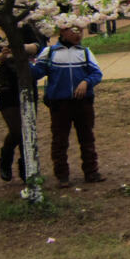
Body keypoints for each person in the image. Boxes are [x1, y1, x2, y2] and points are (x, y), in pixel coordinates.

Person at [31, 24, 105, 188]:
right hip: (59, 103)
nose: (79, 34)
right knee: (59, 140)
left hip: (83, 103)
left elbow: (97, 73)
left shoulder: (84, 52)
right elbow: (36, 73)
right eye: (74, 31)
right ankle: (62, 175)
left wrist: (87, 82)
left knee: (87, 138)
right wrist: (24, 61)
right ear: (63, 32)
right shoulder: (50, 53)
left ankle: (91, 171)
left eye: (81, 30)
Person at [0, 22, 47, 182]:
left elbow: (39, 47)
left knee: (28, 127)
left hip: (25, 80)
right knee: (17, 129)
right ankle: (6, 156)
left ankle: (27, 168)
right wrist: (1, 56)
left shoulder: (23, 28)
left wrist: (21, 47)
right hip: (5, 86)